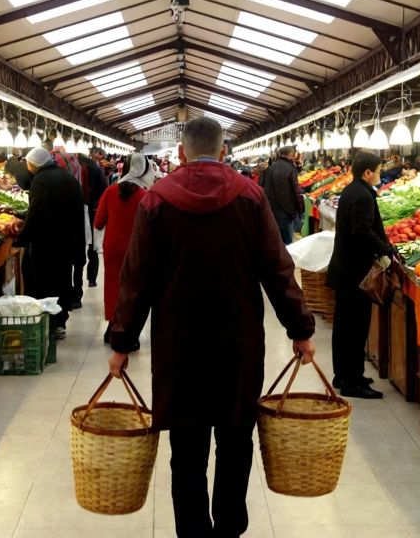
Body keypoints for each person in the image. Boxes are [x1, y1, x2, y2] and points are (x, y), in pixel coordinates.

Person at [107, 117, 315, 537]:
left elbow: (136, 278)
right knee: (236, 442)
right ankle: (230, 528)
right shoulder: (250, 196)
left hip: (177, 347)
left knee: (185, 448)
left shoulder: (156, 200)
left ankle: (193, 531)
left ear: (180, 153)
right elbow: (278, 269)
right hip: (237, 345)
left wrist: (122, 340)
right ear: (223, 152)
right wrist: (300, 328)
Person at [326, 152, 392, 399]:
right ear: (367, 173)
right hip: (355, 274)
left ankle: (344, 374)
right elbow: (362, 232)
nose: (380, 174)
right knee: (355, 328)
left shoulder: (352, 190)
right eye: (378, 170)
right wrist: (384, 248)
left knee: (344, 326)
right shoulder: (363, 196)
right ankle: (352, 381)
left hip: (345, 271)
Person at [17, 147, 85, 340]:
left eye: (28, 163)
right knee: (62, 280)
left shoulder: (40, 181)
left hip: (46, 243)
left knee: (41, 282)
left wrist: (22, 238)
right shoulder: (69, 178)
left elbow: (36, 213)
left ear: (34, 164)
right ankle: (60, 323)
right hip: (68, 243)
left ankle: (46, 323)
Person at [93, 153, 156, 340]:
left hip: (113, 247)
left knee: (113, 285)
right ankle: (128, 331)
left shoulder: (111, 191)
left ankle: (112, 325)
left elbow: (98, 222)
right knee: (134, 287)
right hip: (137, 248)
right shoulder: (146, 196)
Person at [74, 150, 108, 295]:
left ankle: (78, 286)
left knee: (79, 248)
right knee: (93, 248)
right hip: (93, 211)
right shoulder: (96, 170)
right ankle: (92, 278)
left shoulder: (73, 170)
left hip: (79, 213)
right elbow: (104, 191)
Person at [259, 145, 302, 245]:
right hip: (285, 212)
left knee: (277, 241)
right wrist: (296, 209)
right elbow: (295, 191)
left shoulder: (270, 168)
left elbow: (263, 187)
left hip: (272, 209)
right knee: (288, 242)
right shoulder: (290, 169)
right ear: (291, 154)